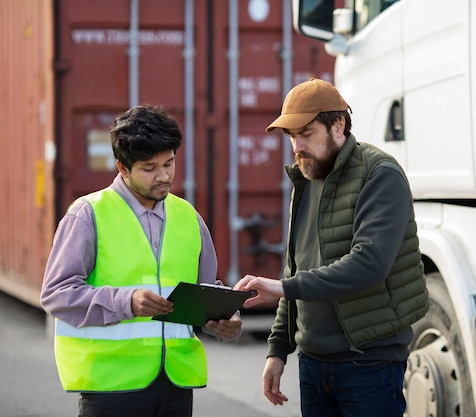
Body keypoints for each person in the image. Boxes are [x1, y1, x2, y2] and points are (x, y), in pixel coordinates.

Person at [234, 78, 429, 417]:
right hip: (312, 364)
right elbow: (296, 268)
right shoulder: (306, 177)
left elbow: (369, 263)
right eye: (292, 137)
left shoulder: (379, 174)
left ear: (338, 125)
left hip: (368, 364)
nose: (297, 147)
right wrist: (278, 350)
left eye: (306, 133)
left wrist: (281, 288)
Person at [40, 105, 242, 417]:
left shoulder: (188, 217)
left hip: (176, 383)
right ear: (122, 167)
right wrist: (127, 301)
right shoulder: (88, 215)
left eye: (169, 163)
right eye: (149, 168)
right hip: (111, 386)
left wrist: (226, 322)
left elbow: (205, 289)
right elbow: (56, 294)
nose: (163, 176)